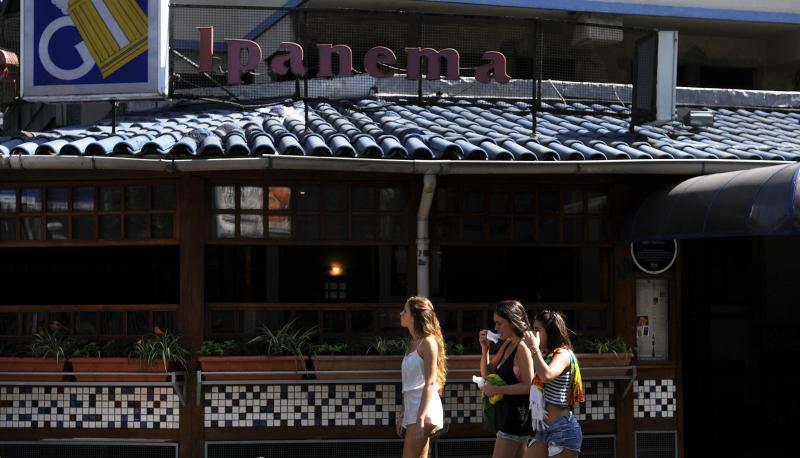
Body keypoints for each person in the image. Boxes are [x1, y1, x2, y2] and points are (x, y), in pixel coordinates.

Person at [524, 310, 584, 458]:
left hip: (562, 428)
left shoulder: (563, 354)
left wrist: (534, 349)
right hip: (542, 428)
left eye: (537, 330)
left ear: (550, 332)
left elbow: (547, 375)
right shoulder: (546, 355)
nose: (534, 334)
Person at [479, 300, 535, 458]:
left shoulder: (522, 347)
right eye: (495, 323)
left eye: (499, 323)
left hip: (515, 418)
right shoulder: (508, 344)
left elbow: (528, 385)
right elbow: (486, 374)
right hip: (507, 417)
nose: (495, 328)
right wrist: (485, 349)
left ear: (513, 322)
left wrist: (497, 389)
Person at [397, 296, 447, 458]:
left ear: (414, 316)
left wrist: (420, 418)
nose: (401, 313)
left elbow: (430, 382)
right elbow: (409, 384)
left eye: (405, 311)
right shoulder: (413, 342)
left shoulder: (428, 342)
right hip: (412, 408)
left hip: (424, 410)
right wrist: (403, 414)